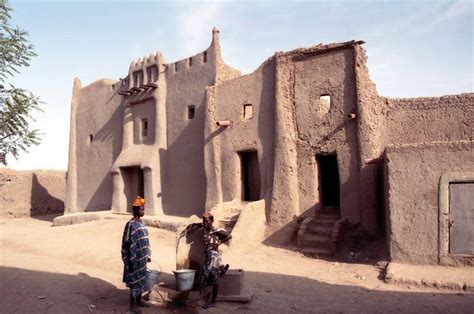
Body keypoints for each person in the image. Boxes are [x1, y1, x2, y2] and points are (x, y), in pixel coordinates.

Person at [180, 211, 232, 309]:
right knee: (203, 278)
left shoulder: (216, 231)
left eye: (207, 221)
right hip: (208, 257)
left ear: (212, 221)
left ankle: (213, 301)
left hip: (214, 257)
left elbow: (229, 236)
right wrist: (191, 226)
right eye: (203, 221)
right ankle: (221, 269)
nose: (204, 223)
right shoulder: (204, 228)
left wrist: (219, 242)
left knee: (214, 278)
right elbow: (199, 225)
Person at [121, 196, 151, 312]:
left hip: (142, 257)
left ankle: (139, 300)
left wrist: (148, 254)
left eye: (143, 209)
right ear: (135, 210)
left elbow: (146, 240)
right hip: (134, 258)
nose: (143, 211)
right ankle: (132, 305)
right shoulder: (131, 224)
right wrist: (132, 258)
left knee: (141, 279)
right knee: (134, 280)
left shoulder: (142, 222)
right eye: (141, 209)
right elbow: (128, 243)